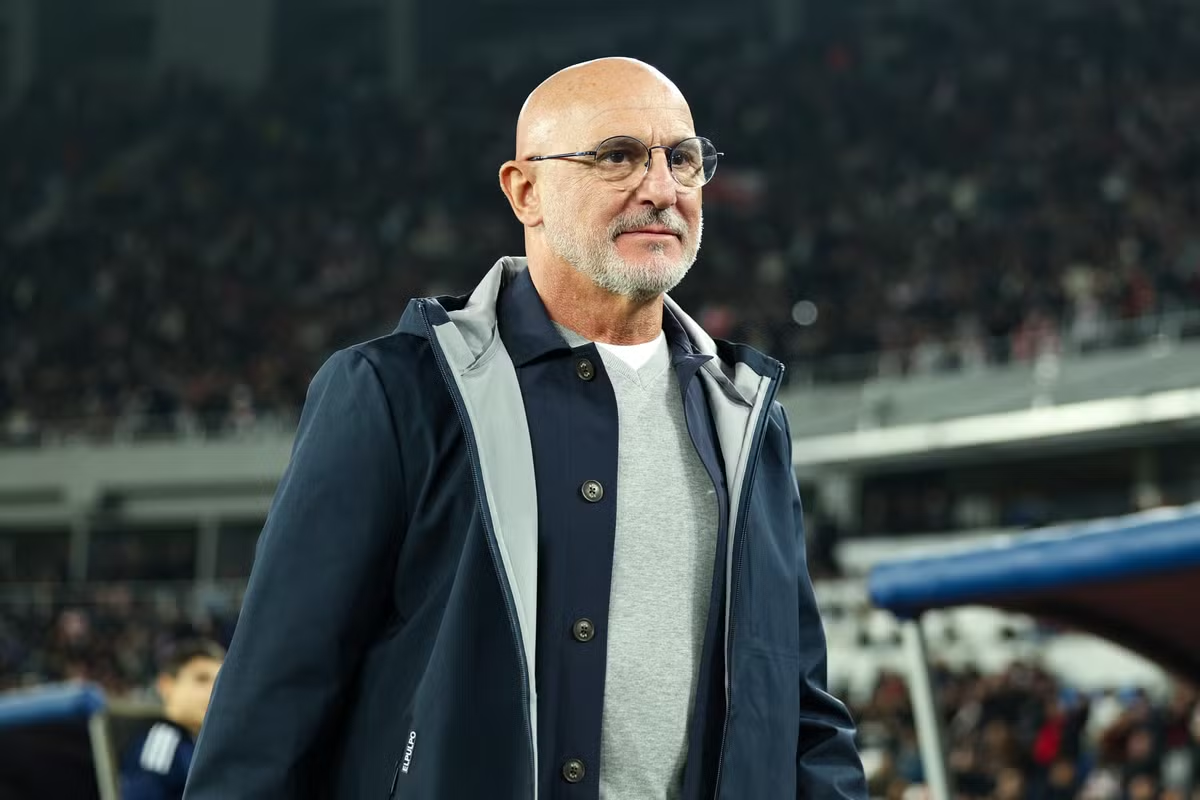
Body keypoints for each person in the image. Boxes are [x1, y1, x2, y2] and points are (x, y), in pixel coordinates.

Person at [185, 57, 866, 799]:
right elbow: (273, 705)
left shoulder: (749, 421)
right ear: (525, 191)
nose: (661, 188)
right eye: (617, 156)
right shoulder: (397, 392)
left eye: (682, 158)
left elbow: (800, 707)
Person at [120, 639, 224, 800]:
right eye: (201, 679)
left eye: (220, 683)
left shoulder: (206, 746)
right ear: (166, 685)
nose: (213, 690)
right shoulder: (162, 742)